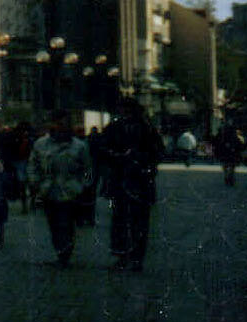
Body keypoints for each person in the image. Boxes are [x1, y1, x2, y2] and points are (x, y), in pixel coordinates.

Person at [101, 98, 165, 272]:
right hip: (120, 180)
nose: (124, 112)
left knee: (140, 222)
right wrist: (117, 156)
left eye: (127, 109)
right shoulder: (114, 128)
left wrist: (141, 159)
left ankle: (137, 258)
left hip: (140, 181)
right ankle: (122, 256)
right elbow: (102, 150)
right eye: (122, 109)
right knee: (120, 220)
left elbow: (158, 152)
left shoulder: (147, 128)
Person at [28, 113, 94, 268]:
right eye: (57, 124)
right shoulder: (40, 144)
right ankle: (60, 251)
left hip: (71, 191)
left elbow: (88, 170)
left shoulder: (79, 146)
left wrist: (83, 186)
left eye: (63, 124)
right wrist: (35, 183)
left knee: (66, 224)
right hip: (48, 190)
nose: (59, 128)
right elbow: (33, 165)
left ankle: (64, 255)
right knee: (53, 224)